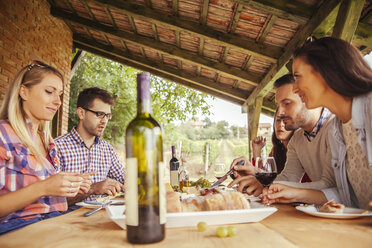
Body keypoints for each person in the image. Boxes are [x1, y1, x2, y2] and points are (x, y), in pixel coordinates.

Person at [265, 37, 372, 209]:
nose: (295, 88)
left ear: (325, 71)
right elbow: (344, 193)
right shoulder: (337, 129)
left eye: (298, 77)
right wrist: (290, 192)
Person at [0, 61, 91, 234]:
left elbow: (48, 199)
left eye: (60, 94)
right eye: (49, 92)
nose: (58, 102)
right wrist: (44, 187)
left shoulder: (48, 141)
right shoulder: (3, 133)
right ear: (23, 91)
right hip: (17, 229)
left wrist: (70, 186)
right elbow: (43, 189)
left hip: (54, 222)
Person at [229, 74, 335, 195]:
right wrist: (262, 183)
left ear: (307, 97)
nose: (279, 113)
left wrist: (267, 186)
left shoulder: (335, 127)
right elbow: (288, 178)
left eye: (287, 103)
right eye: (278, 105)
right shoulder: (297, 138)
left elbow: (330, 185)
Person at [55, 87, 125, 205]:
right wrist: (93, 188)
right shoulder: (57, 147)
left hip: (100, 214)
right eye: (100, 114)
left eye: (107, 115)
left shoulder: (106, 149)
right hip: (68, 218)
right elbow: (52, 200)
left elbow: (125, 180)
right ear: (81, 113)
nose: (104, 121)